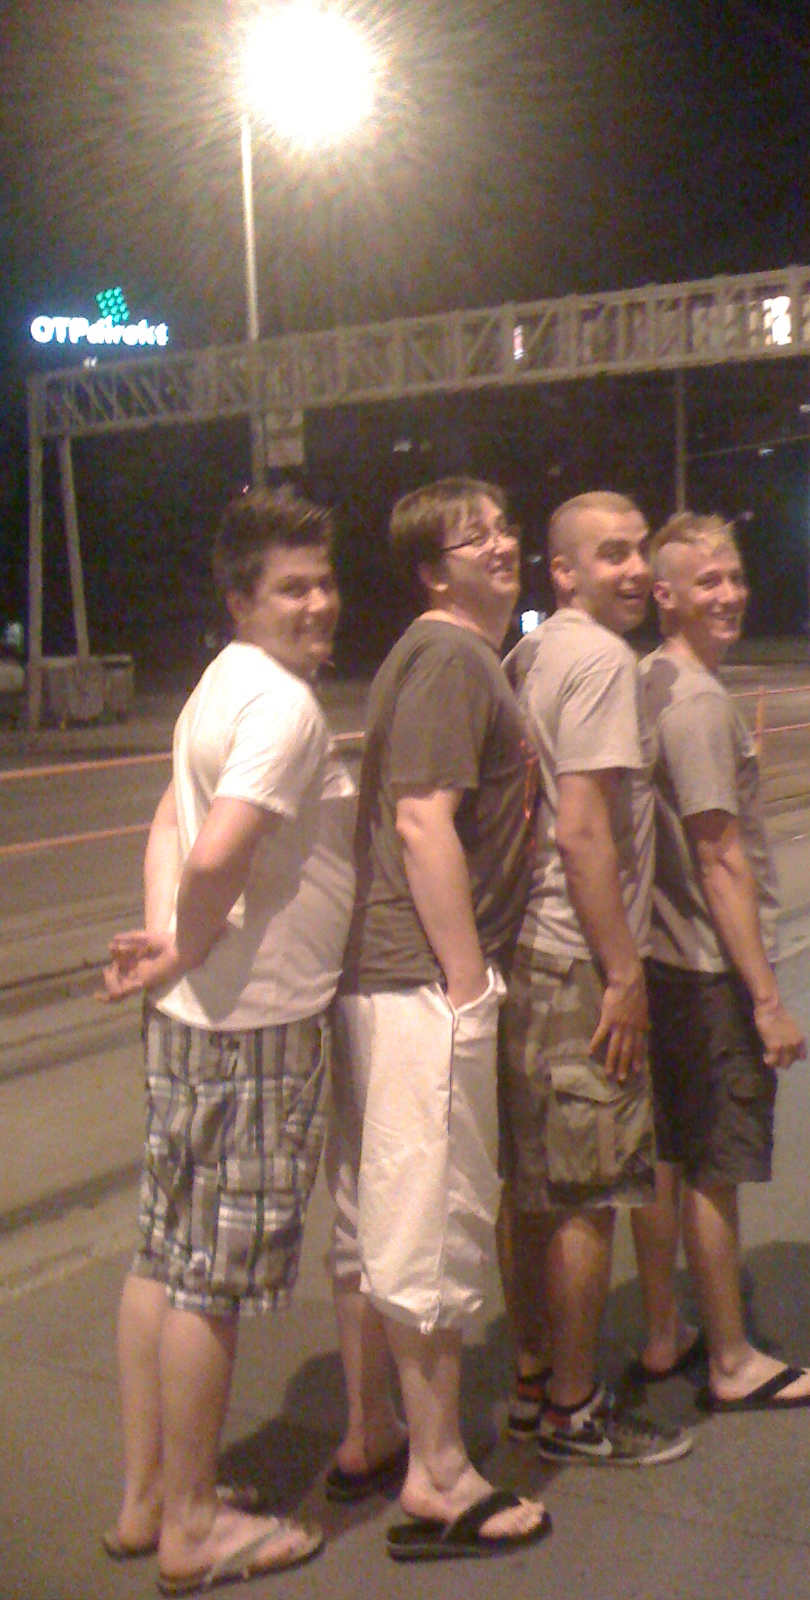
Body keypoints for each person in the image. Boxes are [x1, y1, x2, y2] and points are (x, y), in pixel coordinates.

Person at [102, 489, 357, 1591]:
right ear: (241, 597)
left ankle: (149, 1496)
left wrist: (168, 946)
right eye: (291, 588)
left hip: (194, 1018)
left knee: (163, 1255)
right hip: (255, 1025)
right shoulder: (285, 708)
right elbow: (215, 854)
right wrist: (189, 939)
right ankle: (196, 1527)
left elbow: (172, 821)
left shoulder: (220, 683)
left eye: (324, 581)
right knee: (212, 1278)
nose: (318, 603)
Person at [327, 477, 550, 1561]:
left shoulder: (446, 656)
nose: (499, 545)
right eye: (473, 538)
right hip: (423, 978)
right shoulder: (453, 657)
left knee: (389, 1213)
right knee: (432, 1219)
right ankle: (440, 1473)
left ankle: (382, 1436)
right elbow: (423, 822)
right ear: (432, 570)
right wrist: (466, 981)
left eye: (503, 528)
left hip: (399, 975)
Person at [498, 490, 692, 1466]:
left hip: (527, 956)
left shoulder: (528, 655)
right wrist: (623, 973)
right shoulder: (605, 662)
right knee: (587, 1192)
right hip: (581, 958)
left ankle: (535, 1377)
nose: (635, 569)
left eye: (639, 550)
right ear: (564, 571)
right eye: (610, 554)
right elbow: (583, 831)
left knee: (532, 1187)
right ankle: (574, 1409)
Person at [630, 511, 810, 1413]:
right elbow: (719, 857)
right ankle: (731, 1357)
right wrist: (766, 999)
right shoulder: (700, 704)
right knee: (714, 1168)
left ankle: (662, 1331)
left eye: (735, 577)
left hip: (661, 960)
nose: (730, 594)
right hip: (710, 969)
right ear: (665, 595)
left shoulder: (651, 680)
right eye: (707, 581)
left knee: (665, 1158)